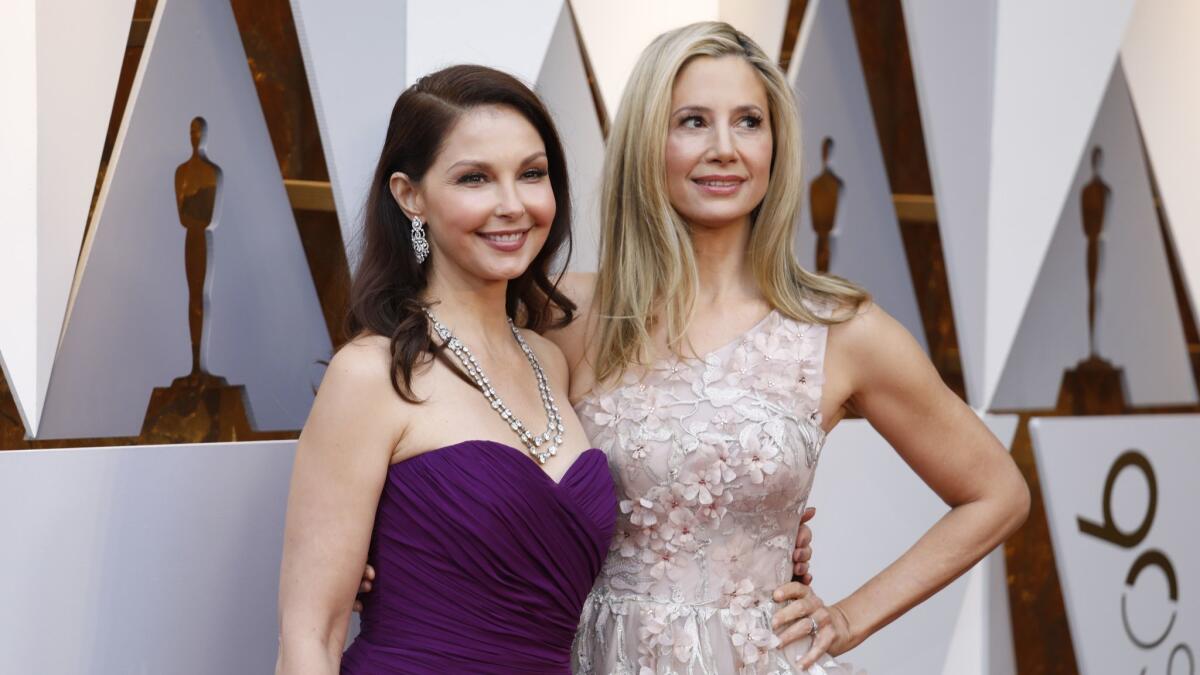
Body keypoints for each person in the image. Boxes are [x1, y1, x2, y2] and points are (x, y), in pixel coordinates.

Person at [550, 23, 1030, 674]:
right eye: (692, 121)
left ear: (775, 145)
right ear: (645, 141)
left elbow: (998, 492)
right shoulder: (572, 313)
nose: (725, 148)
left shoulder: (837, 329)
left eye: (748, 122)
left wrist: (851, 616)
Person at [275, 65, 615, 674]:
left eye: (531, 174)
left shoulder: (552, 359)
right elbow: (311, 635)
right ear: (410, 196)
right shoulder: (370, 374)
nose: (512, 205)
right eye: (475, 178)